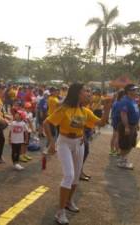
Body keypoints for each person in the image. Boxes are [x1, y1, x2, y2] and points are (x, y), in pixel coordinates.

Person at [43, 83, 111, 225]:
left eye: (89, 91)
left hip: (78, 143)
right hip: (64, 143)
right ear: (77, 93)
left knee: (75, 177)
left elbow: (102, 123)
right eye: (86, 91)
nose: (89, 93)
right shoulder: (64, 109)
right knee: (69, 175)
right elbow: (46, 123)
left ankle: (68, 201)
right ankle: (60, 212)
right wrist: (51, 143)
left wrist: (108, 107)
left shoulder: (85, 111)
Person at [117, 84, 140, 169]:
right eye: (134, 90)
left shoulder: (133, 100)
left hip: (133, 125)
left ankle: (124, 159)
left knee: (131, 144)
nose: (136, 91)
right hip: (128, 125)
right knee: (125, 144)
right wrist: (126, 127)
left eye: (136, 90)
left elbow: (136, 113)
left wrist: (137, 124)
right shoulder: (125, 101)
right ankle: (121, 161)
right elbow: (123, 114)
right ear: (128, 91)